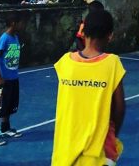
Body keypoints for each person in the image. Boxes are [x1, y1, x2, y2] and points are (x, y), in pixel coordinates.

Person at [52, 9, 126, 166]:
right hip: (98, 154)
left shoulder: (64, 62)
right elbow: (119, 107)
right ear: (110, 35)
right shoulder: (112, 63)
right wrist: (113, 135)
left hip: (64, 152)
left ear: (83, 32)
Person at [0, 12, 24, 145]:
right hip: (3, 79)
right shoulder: (5, 38)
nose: (22, 25)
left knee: (9, 104)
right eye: (20, 22)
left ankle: (5, 128)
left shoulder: (15, 37)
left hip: (13, 78)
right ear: (14, 23)